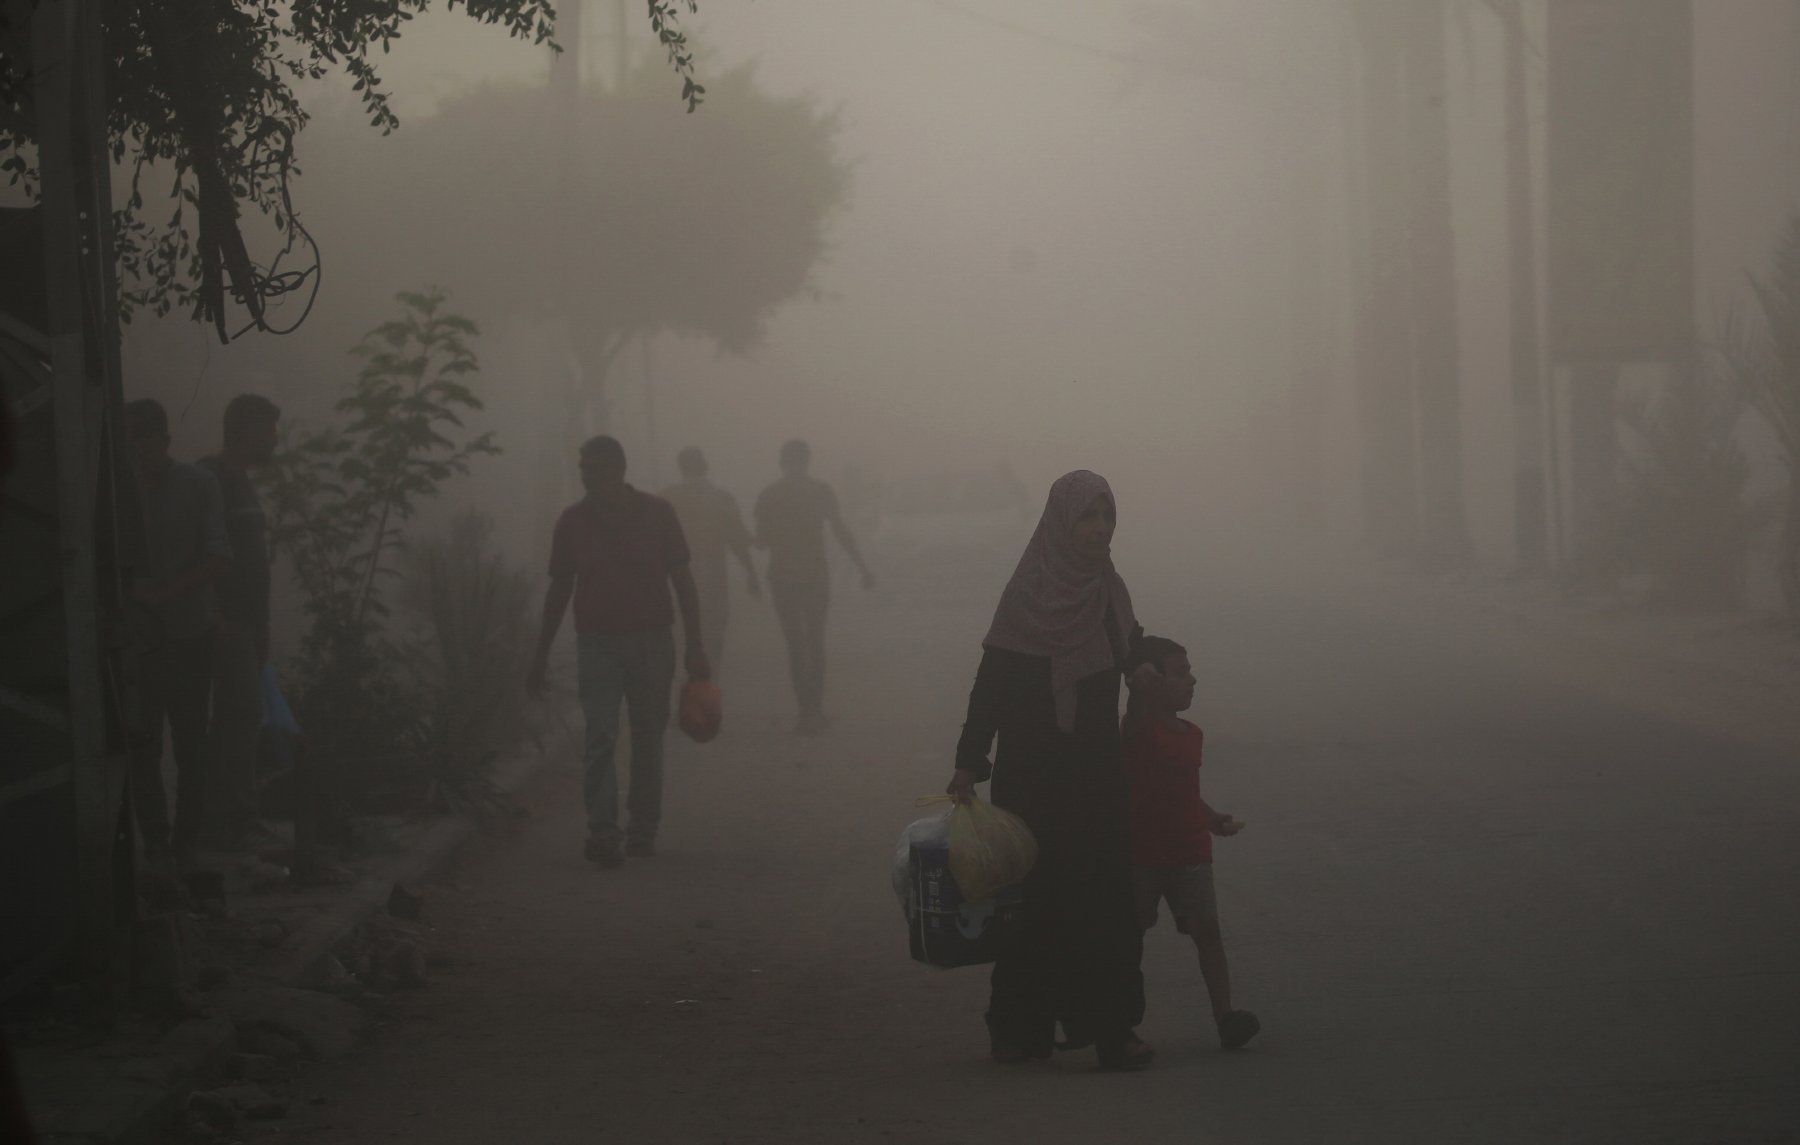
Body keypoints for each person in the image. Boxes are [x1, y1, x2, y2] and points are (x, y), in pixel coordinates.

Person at [946, 469, 1159, 1070]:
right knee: (1034, 905)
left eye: (1107, 517)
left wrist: (1145, 667)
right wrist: (968, 761)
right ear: (1060, 525)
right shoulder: (1025, 596)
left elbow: (1133, 646)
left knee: (1108, 907)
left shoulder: (1109, 593)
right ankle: (1018, 1029)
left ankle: (1114, 1031)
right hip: (1033, 780)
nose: (1099, 529)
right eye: (1087, 517)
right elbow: (989, 686)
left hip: (1096, 776)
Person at [527, 436, 710, 867]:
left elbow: (683, 582)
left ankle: (643, 827)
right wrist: (539, 656)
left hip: (652, 640)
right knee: (601, 734)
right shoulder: (572, 522)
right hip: (597, 644)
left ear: (620, 470)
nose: (589, 478)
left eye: (597, 470)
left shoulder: (658, 514)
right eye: (585, 470)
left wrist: (695, 648)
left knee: (647, 736)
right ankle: (603, 830)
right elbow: (559, 588)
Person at [1123, 634, 1260, 1051]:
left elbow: (1181, 790)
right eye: (1180, 674)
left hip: (1189, 852)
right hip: (1142, 855)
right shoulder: (1137, 728)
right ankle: (1122, 1022)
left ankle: (1226, 1016)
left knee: (1208, 932)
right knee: (1129, 938)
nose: (1192, 681)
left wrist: (1210, 817)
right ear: (1152, 682)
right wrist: (1139, 683)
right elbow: (1137, 712)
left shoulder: (1191, 733)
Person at [124, 398, 232, 866]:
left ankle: (184, 844)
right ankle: (157, 842)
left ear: (163, 441)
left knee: (190, 743)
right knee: (143, 743)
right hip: (139, 640)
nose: (136, 452)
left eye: (142, 441)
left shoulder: (197, 483)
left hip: (188, 634)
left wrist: (161, 595)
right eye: (128, 443)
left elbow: (220, 557)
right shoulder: (115, 491)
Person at [198, 393, 280, 848]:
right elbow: (201, 549)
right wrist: (217, 614)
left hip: (247, 623)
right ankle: (235, 819)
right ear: (247, 432)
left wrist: (263, 625)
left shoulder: (242, 482)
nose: (274, 443)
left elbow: (255, 561)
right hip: (226, 623)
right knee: (240, 714)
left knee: (236, 717)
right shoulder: (211, 478)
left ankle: (219, 817)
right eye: (269, 433)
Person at [752, 439, 875, 735]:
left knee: (795, 644)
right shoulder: (820, 491)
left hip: (782, 577)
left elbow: (762, 542)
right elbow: (840, 530)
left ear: (782, 461)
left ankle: (804, 711)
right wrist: (862, 567)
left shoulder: (769, 495)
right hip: (815, 577)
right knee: (815, 642)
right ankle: (816, 711)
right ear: (807, 461)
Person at [660, 446, 760, 673]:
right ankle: (708, 687)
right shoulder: (722, 499)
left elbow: (651, 543)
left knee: (681, 636)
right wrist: (751, 573)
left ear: (680, 468)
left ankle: (685, 688)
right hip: (714, 582)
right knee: (713, 638)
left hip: (675, 582)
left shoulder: (665, 499)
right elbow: (738, 541)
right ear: (705, 467)